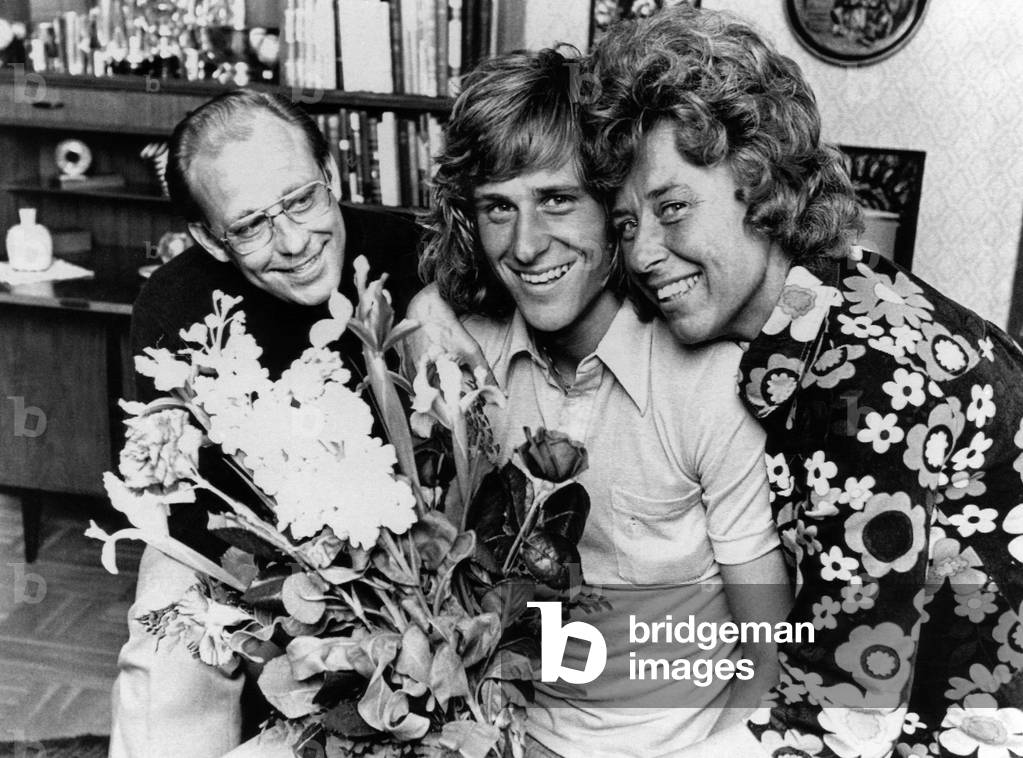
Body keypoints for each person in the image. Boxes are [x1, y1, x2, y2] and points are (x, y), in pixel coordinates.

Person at [586, 5, 1023, 756]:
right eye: (626, 226)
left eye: (673, 209)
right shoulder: (838, 299)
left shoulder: (867, 380)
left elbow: (844, 712)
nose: (645, 253)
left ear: (757, 185)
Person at [419, 48, 791, 758]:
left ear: (617, 205)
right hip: (489, 728)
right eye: (498, 206)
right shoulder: (461, 355)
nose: (526, 246)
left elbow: (766, 663)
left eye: (557, 199)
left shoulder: (709, 380)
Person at [112, 90, 425, 758]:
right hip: (243, 548)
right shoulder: (175, 305)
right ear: (208, 237)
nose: (293, 242)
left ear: (333, 173)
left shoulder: (415, 255)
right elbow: (191, 517)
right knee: (166, 658)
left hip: (401, 538)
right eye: (250, 225)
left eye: (303, 199)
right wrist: (283, 611)